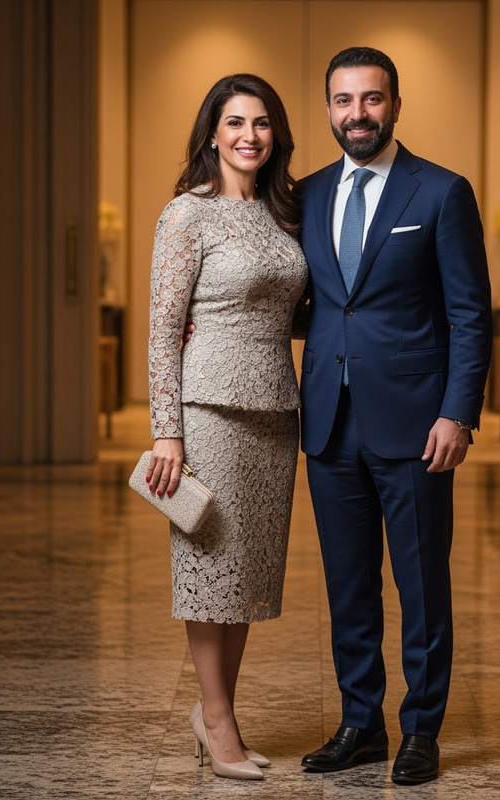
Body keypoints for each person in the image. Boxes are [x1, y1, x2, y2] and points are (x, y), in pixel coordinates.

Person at [296, 47, 493, 786]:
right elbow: (309, 302)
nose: (357, 114)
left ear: (396, 105)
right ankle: (360, 723)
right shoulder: (306, 195)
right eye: (344, 101)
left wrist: (457, 415)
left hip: (415, 425)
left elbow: (470, 317)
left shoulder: (440, 193)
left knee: (419, 585)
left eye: (371, 99)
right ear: (328, 109)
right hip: (328, 422)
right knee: (348, 586)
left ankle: (421, 731)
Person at [145, 73, 307, 782]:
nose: (250, 135)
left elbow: (291, 308)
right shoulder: (187, 214)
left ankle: (219, 710)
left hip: (276, 411)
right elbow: (159, 329)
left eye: (262, 123)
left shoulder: (284, 212)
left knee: (243, 577)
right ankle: (217, 720)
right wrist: (166, 431)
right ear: (212, 132)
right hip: (207, 413)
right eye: (235, 122)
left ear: (276, 135)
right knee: (209, 570)